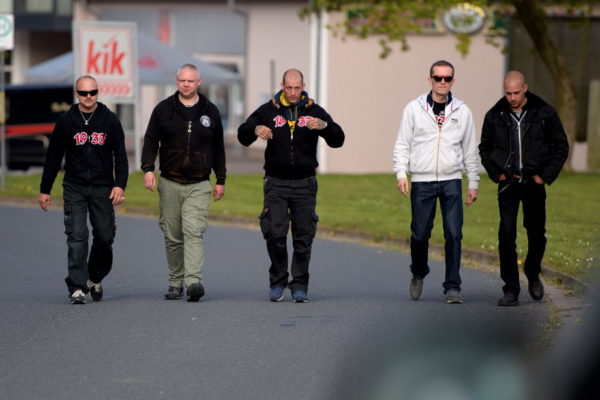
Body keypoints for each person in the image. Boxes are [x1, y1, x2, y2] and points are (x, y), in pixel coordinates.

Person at [237, 68, 345, 303]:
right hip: (276, 182)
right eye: (289, 88)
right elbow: (243, 134)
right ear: (282, 86)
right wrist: (255, 129)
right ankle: (277, 282)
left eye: (298, 88)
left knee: (303, 237)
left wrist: (325, 126)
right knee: (275, 234)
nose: (294, 92)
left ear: (303, 86)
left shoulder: (314, 111)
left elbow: (339, 139)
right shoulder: (269, 110)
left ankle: (299, 285)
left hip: (305, 183)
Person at [393, 60, 479, 304]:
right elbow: (402, 144)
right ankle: (418, 272)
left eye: (447, 78)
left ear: (453, 80)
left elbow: (470, 149)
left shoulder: (462, 111)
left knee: (454, 234)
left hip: (451, 180)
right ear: (429, 79)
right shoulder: (414, 108)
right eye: (438, 77)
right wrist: (401, 174)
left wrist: (473, 182)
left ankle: (453, 287)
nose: (442, 82)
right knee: (420, 235)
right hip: (422, 180)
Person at [479, 71, 569, 306]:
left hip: (534, 182)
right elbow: (485, 149)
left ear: (525, 88)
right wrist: (496, 173)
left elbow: (560, 147)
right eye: (508, 93)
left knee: (537, 233)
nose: (512, 98)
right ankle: (510, 289)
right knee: (506, 234)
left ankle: (532, 270)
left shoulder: (545, 113)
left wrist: (543, 176)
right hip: (508, 182)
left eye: (516, 92)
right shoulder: (494, 115)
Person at [39, 75, 129, 304]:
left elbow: (120, 155)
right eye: (83, 93)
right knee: (77, 236)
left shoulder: (109, 120)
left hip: (103, 187)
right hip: (74, 186)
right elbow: (53, 157)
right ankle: (77, 287)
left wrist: (120, 184)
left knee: (105, 237)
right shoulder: (66, 121)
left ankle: (95, 276)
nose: (88, 97)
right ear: (76, 93)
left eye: (93, 92)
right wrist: (45, 189)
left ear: (98, 92)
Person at [141, 63, 226, 302]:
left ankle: (193, 282)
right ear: (176, 81)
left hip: (199, 183)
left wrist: (220, 179)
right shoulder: (163, 109)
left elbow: (218, 148)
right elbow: (150, 141)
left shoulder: (210, 111)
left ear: (199, 82)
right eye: (182, 81)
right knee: (173, 234)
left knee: (193, 231)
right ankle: (175, 282)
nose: (186, 84)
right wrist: (148, 169)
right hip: (169, 181)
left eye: (191, 81)